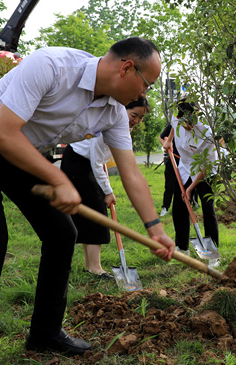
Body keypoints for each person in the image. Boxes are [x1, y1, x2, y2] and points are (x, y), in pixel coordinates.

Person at [0, 37, 175, 365]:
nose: (146, 94)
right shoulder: (52, 65)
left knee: (62, 234)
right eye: (147, 84)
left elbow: (131, 173)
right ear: (127, 68)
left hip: (23, 151)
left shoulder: (112, 112)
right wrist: (57, 178)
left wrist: (155, 229)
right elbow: (3, 133)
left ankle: (45, 333)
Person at [61, 98, 149, 280]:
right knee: (97, 213)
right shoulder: (107, 125)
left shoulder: (124, 128)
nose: (136, 120)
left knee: (91, 213)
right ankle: (95, 267)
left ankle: (89, 265)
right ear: (123, 109)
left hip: (87, 164)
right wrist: (108, 192)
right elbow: (96, 161)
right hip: (78, 163)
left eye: (141, 118)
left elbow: (104, 159)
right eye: (134, 115)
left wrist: (105, 183)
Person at [161, 100, 223, 266]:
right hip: (184, 167)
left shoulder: (207, 133)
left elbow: (207, 165)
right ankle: (182, 247)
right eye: (183, 122)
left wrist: (190, 188)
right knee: (179, 208)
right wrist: (169, 141)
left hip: (205, 172)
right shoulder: (177, 119)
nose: (186, 125)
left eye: (190, 122)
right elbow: (173, 126)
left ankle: (213, 253)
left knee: (208, 209)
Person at [159, 122, 179, 217]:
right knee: (169, 184)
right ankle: (165, 207)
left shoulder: (193, 125)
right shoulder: (173, 125)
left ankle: (192, 203)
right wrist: (166, 145)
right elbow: (161, 137)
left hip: (187, 160)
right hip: (172, 159)